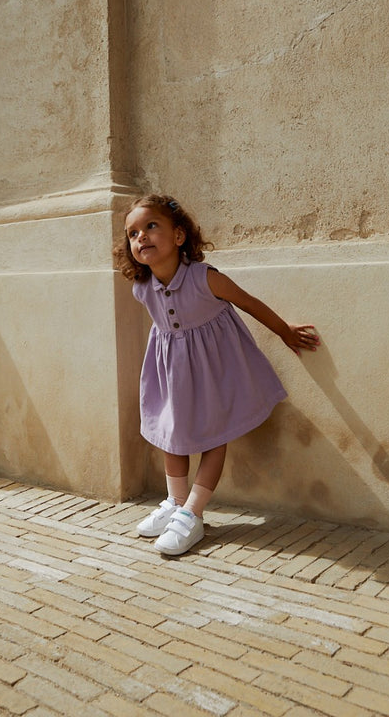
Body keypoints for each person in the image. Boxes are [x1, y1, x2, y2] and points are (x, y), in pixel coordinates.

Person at [114, 194, 320, 555]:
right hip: (173, 372)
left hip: (215, 370)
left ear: (179, 236)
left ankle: (192, 514)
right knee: (171, 435)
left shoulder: (205, 278)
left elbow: (248, 303)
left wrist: (284, 331)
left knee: (213, 437)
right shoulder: (142, 289)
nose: (141, 236)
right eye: (133, 233)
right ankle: (175, 503)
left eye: (151, 226)